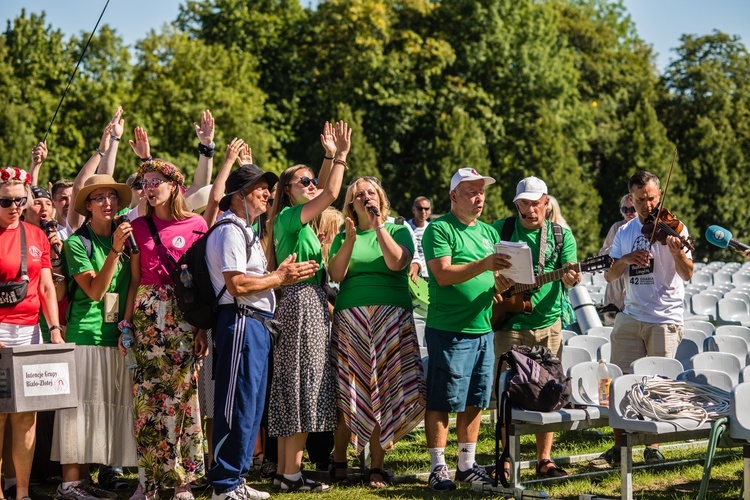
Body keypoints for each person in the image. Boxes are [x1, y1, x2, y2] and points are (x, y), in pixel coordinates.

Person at [206, 153, 318, 500]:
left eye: (270, 188)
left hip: (254, 324)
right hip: (239, 321)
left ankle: (237, 479)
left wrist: (277, 274)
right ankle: (224, 484)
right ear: (239, 195)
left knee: (252, 405)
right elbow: (237, 284)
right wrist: (279, 276)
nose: (268, 193)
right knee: (236, 404)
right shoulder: (228, 230)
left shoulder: (246, 230)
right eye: (260, 188)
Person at [263, 121, 350, 492]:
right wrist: (339, 156)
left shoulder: (295, 221)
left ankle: (287, 473)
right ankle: (293, 474)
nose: (312, 185)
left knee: (292, 388)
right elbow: (331, 193)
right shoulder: (287, 217)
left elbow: (323, 189)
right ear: (287, 190)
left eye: (313, 179)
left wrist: (328, 159)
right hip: (303, 304)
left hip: (299, 303)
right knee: (303, 386)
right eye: (304, 182)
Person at [328, 177, 426, 488]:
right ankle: (340, 459)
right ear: (350, 204)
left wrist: (379, 226)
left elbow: (397, 263)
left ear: (380, 199)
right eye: (359, 195)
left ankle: (377, 466)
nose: (366, 197)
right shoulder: (344, 235)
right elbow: (336, 274)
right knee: (352, 391)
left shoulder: (398, 230)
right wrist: (349, 240)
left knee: (384, 391)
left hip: (391, 318)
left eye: (372, 193)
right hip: (352, 318)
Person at [591, 171, 693, 468]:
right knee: (620, 381)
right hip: (631, 314)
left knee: (657, 384)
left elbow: (687, 273)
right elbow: (610, 275)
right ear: (631, 199)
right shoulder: (625, 232)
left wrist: (677, 254)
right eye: (640, 200)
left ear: (658, 195)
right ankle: (619, 445)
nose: (647, 205)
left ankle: (652, 446)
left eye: (650, 198)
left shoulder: (676, 228)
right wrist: (626, 259)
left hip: (664, 317)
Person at [122, 158, 209, 500]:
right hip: (146, 316)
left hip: (183, 316)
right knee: (147, 401)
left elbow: (203, 283)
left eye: (157, 181)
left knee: (183, 399)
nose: (150, 187)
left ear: (175, 185)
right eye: (145, 182)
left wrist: (203, 328)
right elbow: (132, 281)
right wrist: (126, 325)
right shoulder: (137, 226)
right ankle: (149, 482)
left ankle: (182, 481)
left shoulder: (197, 224)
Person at [420, 167, 511, 491]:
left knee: (475, 400)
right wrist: (485, 265)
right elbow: (443, 275)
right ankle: (438, 467)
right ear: (453, 196)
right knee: (444, 400)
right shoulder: (439, 229)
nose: (479, 198)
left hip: (482, 328)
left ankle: (466, 464)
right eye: (471, 191)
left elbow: (484, 274)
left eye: (481, 192)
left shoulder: (487, 232)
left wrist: (495, 282)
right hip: (450, 329)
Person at [52, 175, 137, 500]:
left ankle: (87, 479)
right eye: (99, 198)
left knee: (104, 411)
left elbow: (132, 284)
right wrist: (114, 251)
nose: (108, 203)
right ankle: (70, 484)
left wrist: (127, 324)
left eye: (112, 197)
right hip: (84, 336)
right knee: (79, 411)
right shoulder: (77, 243)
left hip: (116, 337)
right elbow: (96, 290)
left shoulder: (127, 241)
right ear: (87, 206)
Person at [492, 176, 580, 480]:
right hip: (508, 323)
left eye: (536, 202)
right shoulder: (498, 230)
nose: (531, 209)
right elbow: (482, 269)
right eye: (524, 203)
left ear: (546, 202)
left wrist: (570, 277)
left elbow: (571, 269)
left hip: (548, 323)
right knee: (505, 393)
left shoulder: (560, 236)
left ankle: (545, 459)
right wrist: (496, 285)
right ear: (516, 204)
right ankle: (505, 458)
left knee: (551, 391)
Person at [0, 167, 62, 500]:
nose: (13, 207)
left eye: (19, 201)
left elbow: (48, 287)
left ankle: (22, 493)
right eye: (5, 201)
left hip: (30, 333)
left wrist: (53, 328)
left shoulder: (36, 235)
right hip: (0, 329)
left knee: (26, 416)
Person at [600, 195, 637, 311]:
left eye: (632, 209)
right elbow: (603, 254)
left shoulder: (646, 228)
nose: (628, 213)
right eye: (624, 210)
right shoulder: (617, 227)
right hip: (616, 284)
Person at [407, 196, 431, 283]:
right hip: (412, 273)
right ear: (413, 210)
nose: (423, 212)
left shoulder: (431, 228)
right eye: (420, 208)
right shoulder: (406, 227)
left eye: (426, 208)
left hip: (429, 274)